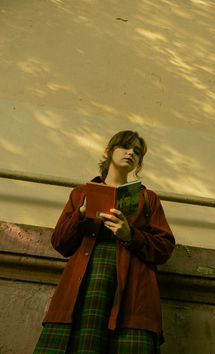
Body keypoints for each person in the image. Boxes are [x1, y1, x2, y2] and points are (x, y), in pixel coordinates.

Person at [33, 130, 175, 354]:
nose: (131, 153)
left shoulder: (148, 198)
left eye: (137, 152)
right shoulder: (81, 193)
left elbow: (165, 248)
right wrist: (81, 212)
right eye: (125, 147)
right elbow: (60, 243)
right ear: (110, 151)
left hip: (132, 287)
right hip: (85, 282)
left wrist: (130, 235)